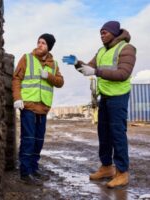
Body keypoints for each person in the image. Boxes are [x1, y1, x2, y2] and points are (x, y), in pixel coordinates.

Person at [62, 21, 136, 188]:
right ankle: (106, 167)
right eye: (100, 33)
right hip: (105, 97)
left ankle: (122, 172)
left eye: (105, 32)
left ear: (114, 33)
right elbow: (87, 69)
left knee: (117, 134)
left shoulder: (127, 48)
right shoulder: (101, 51)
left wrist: (96, 72)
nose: (101, 35)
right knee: (104, 134)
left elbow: (123, 73)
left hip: (119, 96)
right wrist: (77, 63)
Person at [12, 33, 64, 185]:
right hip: (28, 106)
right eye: (39, 42)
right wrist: (17, 98)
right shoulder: (27, 58)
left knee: (38, 141)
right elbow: (16, 78)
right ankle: (25, 173)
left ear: (49, 47)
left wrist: (48, 75)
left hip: (43, 108)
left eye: (44, 43)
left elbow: (60, 82)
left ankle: (34, 168)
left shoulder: (53, 65)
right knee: (28, 139)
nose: (40, 45)